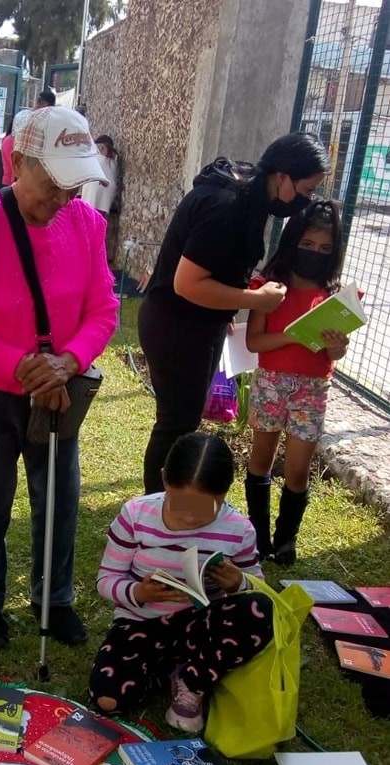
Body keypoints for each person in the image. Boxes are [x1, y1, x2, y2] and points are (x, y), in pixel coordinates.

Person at [0, 106, 118, 650]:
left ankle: (53, 597)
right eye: (54, 184)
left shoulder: (87, 223)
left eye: (74, 184)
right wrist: (18, 364)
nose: (63, 198)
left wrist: (70, 360)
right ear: (18, 163)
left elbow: (103, 310)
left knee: (60, 497)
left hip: (59, 391)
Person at [138, 132, 331, 495]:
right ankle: (156, 510)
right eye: (306, 189)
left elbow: (219, 267)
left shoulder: (252, 195)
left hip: (196, 324)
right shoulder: (227, 206)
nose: (306, 200)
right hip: (176, 326)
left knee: (183, 419)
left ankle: (167, 499)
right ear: (283, 176)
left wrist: (226, 306)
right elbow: (187, 284)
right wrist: (255, 301)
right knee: (175, 423)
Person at [89, 432, 273, 732]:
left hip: (202, 628)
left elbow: (257, 588)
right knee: (107, 699)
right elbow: (106, 579)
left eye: (204, 510)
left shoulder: (238, 529)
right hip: (141, 624)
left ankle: (192, 682)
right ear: (164, 480)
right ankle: (173, 671)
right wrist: (139, 592)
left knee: (259, 610)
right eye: (180, 505)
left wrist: (238, 583)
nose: (189, 520)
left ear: (225, 494)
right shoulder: (136, 515)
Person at [245, 200, 348, 565]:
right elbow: (254, 342)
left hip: (313, 389)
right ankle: (257, 538)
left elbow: (333, 356)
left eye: (325, 249)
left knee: (298, 469)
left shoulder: (334, 296)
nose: (315, 254)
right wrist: (292, 336)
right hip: (271, 383)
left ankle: (286, 539)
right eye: (308, 245)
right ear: (292, 242)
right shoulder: (269, 289)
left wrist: (337, 348)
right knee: (261, 461)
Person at [81, 135, 119, 260]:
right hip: (103, 201)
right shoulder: (112, 161)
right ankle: (95, 256)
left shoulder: (97, 159)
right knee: (98, 230)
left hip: (92, 200)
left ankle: (90, 256)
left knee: (90, 230)